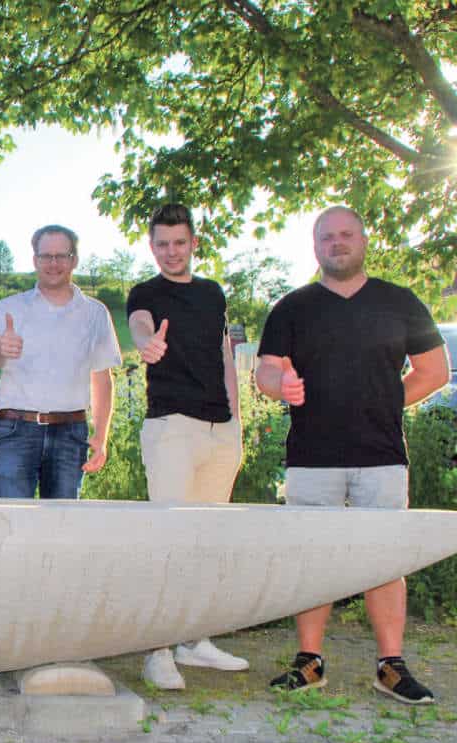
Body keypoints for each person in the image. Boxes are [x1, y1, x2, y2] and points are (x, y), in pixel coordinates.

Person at [256, 206, 449, 704]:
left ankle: (390, 665)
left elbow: (433, 372)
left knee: (385, 560)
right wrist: (284, 384)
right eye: (326, 237)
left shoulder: (400, 302)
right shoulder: (292, 307)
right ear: (315, 246)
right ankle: (309, 662)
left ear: (364, 240)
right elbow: (265, 374)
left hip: (381, 454)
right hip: (311, 456)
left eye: (345, 235)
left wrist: (382, 402)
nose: (336, 243)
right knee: (310, 558)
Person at [126, 203, 249, 690]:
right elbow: (138, 323)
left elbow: (224, 354)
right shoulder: (146, 292)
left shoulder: (213, 293)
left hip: (220, 432)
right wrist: (146, 344)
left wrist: (235, 425)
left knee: (206, 543)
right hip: (172, 428)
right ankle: (156, 650)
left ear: (193, 243)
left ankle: (194, 642)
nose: (171, 252)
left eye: (179, 243)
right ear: (152, 247)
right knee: (169, 542)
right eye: (161, 244)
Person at [0, 224, 121, 499]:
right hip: (15, 431)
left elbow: (102, 378)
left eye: (62, 255)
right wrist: (1, 347)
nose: (53, 263)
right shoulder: (10, 307)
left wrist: (101, 437)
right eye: (46, 256)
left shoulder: (95, 313)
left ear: (74, 260)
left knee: (63, 527)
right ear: (35, 260)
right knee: (10, 523)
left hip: (70, 434)